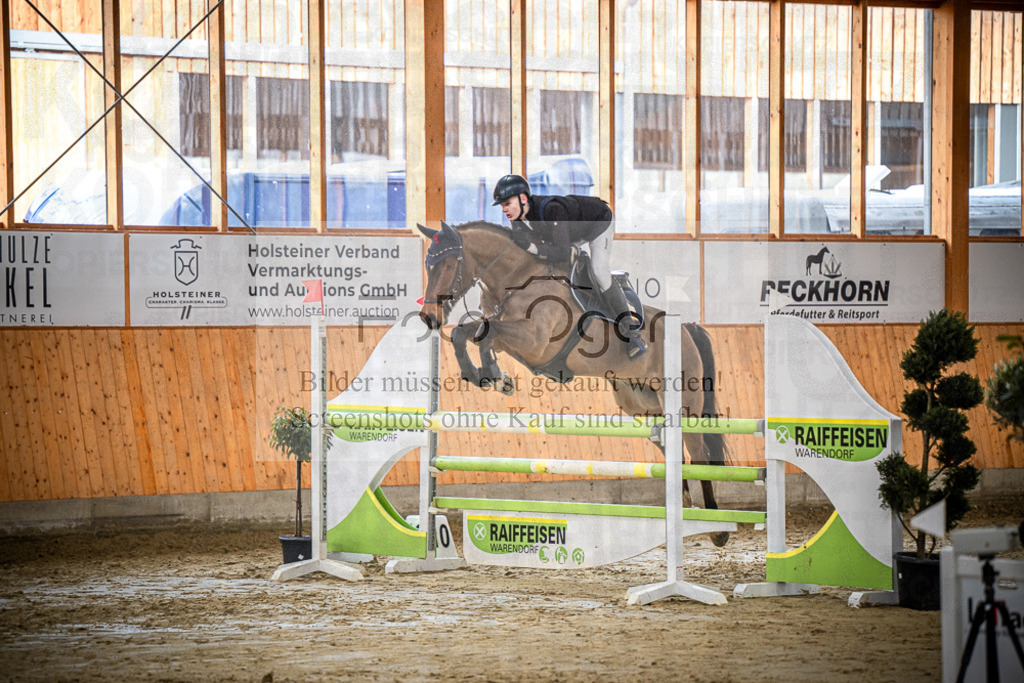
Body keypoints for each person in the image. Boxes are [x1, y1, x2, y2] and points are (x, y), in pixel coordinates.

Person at [492, 174, 645, 358]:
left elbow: (562, 254)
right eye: (502, 205)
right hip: (570, 232)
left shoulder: (552, 210)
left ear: (523, 198)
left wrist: (532, 247)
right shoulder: (516, 220)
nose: (504, 209)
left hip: (598, 221)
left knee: (598, 270)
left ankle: (631, 331)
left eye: (507, 203)